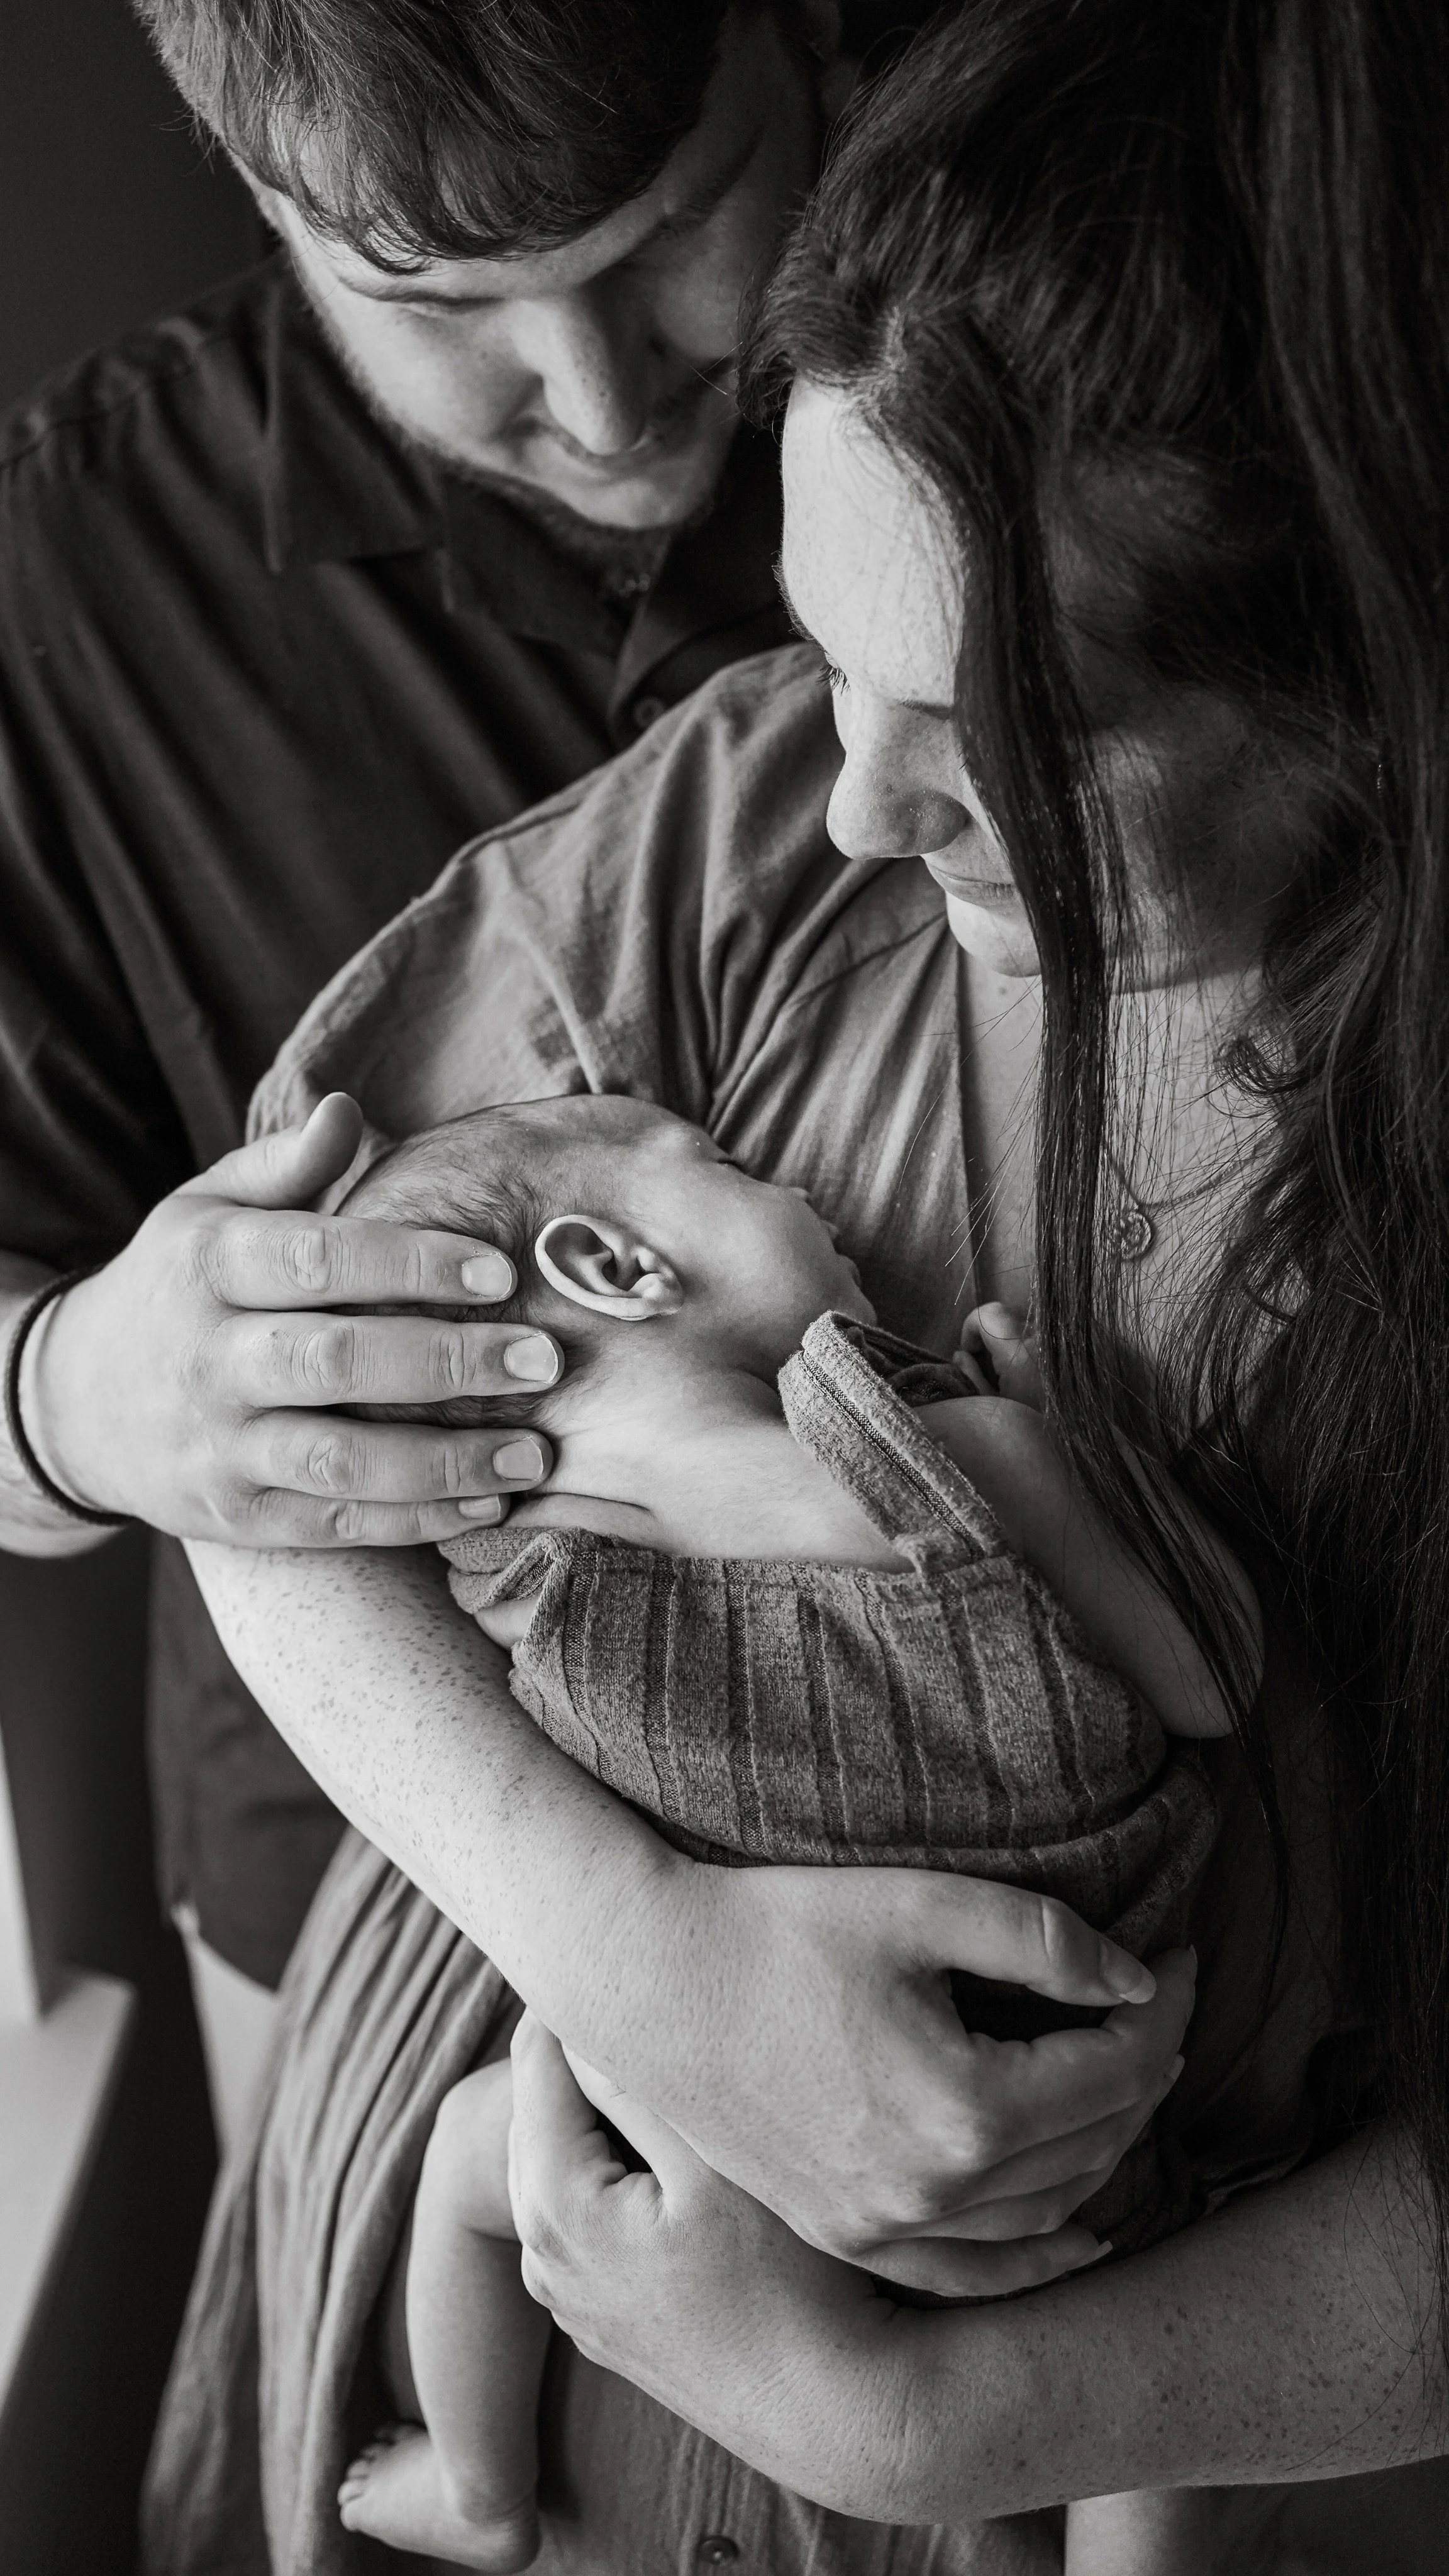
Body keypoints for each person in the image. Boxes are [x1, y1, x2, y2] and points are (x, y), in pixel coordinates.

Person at [150, 1, 1449, 2569]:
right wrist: (624, 1945)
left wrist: (946, 2430)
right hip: (528, 2097)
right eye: (830, 654)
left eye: (994, 736)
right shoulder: (747, 830)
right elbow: (255, 1449)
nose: (863, 795)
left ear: (1359, 703)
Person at [0, 0, 933, 2102]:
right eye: (438, 302)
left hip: (1032, 1785)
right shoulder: (60, 579)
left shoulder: (1055, 356)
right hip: (382, 1901)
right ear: (258, 190)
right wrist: (65, 1397)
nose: (598, 397)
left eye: (668, 230)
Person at [323, 1093, 1260, 2572]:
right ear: (618, 1265)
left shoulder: (508, 1578)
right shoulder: (970, 1459)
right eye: (735, 1169)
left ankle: (486, 2497)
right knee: (1167, 2404)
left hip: (684, 2134)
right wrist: (1076, 1451)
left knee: (463, 2162)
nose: (811, 1185)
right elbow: (1210, 1681)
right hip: (1072, 2127)